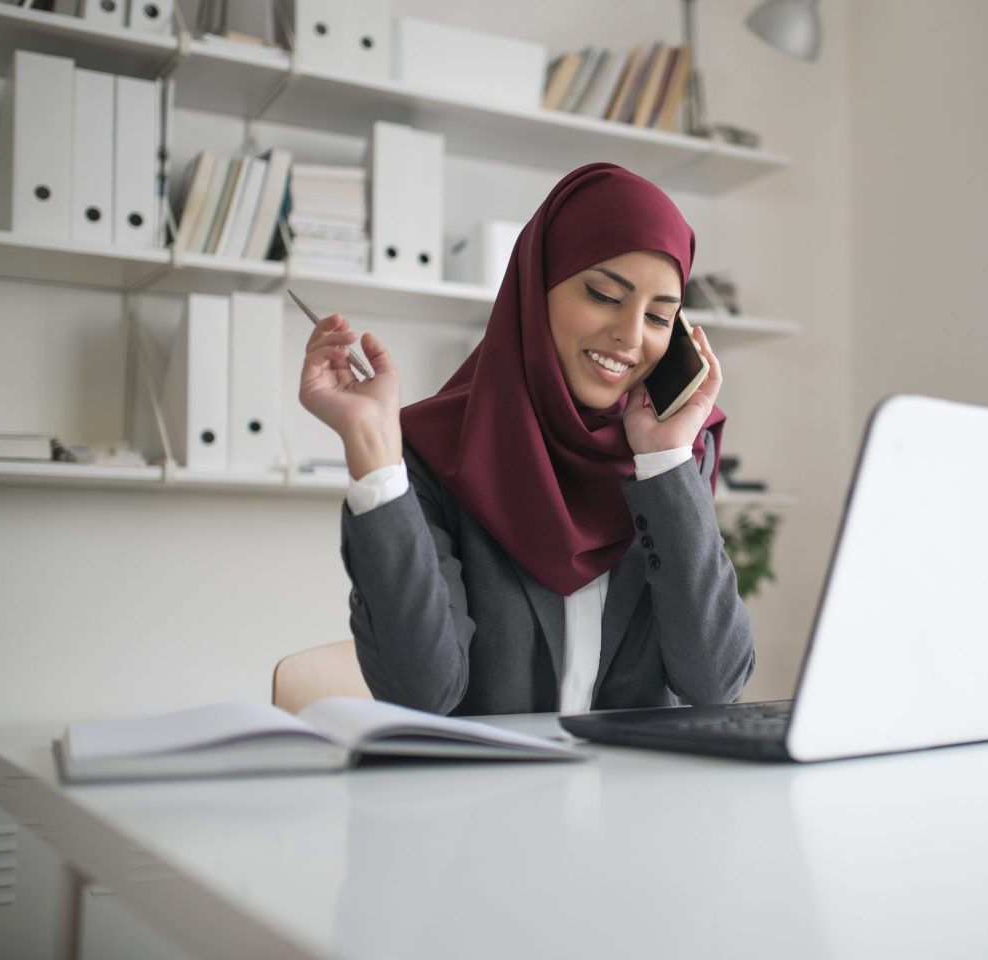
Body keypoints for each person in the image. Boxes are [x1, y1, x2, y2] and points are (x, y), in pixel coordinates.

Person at [299, 162, 755, 717]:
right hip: (492, 798)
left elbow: (714, 684)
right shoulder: (434, 452)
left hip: (637, 798)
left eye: (660, 318)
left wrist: (664, 462)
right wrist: (372, 447)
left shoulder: (668, 460)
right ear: (535, 287)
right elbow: (421, 693)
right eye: (604, 295)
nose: (631, 337)